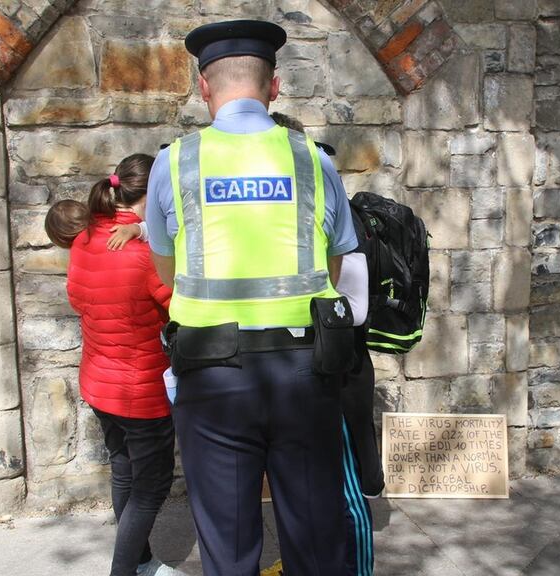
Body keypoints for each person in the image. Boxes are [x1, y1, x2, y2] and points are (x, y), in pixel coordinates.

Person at [143, 19, 360, 576]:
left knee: (228, 538)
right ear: (275, 86)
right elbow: (335, 261)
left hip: (211, 374)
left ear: (203, 87)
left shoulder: (175, 161)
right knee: (316, 534)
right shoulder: (314, 159)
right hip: (304, 372)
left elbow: (165, 268)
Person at [44, 154, 179, 576]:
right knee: (151, 486)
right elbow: (180, 306)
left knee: (123, 471)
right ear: (149, 194)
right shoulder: (143, 254)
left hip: (99, 383)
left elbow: (78, 299)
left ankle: (140, 563)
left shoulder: (84, 239)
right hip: (141, 390)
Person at [269, 112, 377, 576]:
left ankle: (358, 569)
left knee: (346, 488)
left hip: (339, 369)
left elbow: (356, 306)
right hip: (300, 370)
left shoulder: (338, 218)